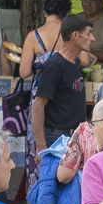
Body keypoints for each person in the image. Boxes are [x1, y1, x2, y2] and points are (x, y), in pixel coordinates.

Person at [20, 0, 85, 189]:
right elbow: (83, 60)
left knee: (39, 146)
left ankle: (39, 194)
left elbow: (23, 72)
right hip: (65, 95)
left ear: (44, 10)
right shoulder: (69, 35)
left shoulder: (33, 36)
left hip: (41, 93)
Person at [32, 14, 94, 162]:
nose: (92, 38)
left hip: (74, 136)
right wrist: (41, 146)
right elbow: (38, 106)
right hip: (58, 138)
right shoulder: (55, 65)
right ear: (74, 36)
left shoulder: (73, 62)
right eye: (88, 33)